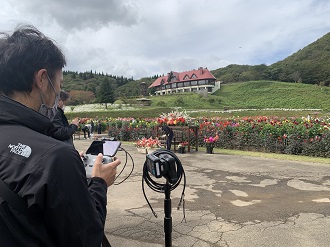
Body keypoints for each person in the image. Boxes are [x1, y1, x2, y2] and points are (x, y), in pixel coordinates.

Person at [0, 24, 121, 246]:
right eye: (59, 83)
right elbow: (87, 239)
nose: (58, 94)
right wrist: (98, 183)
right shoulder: (55, 158)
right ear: (43, 79)